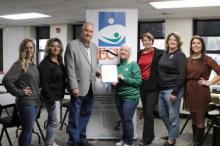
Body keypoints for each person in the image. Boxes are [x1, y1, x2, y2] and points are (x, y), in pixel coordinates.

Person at [64, 22, 101, 146]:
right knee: (75, 115)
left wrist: (97, 71)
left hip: (90, 87)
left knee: (86, 113)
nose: (88, 33)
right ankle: (73, 142)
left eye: (91, 31)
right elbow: (70, 68)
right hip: (78, 87)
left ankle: (82, 138)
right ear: (82, 31)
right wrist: (73, 86)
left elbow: (95, 64)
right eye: (86, 30)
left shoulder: (95, 47)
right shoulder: (72, 45)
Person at [2, 38, 40, 146]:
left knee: (28, 130)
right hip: (26, 102)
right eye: (26, 48)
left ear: (34, 49)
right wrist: (20, 92)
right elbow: (6, 80)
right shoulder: (19, 64)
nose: (29, 50)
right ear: (22, 50)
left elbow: (34, 83)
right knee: (27, 131)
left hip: (36, 102)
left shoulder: (33, 65)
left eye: (31, 47)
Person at [184, 35, 220, 146]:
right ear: (191, 45)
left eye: (198, 43)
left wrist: (209, 82)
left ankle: (198, 143)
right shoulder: (188, 59)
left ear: (202, 45)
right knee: (193, 118)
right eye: (193, 43)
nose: (196, 45)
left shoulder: (207, 59)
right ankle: (195, 141)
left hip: (201, 91)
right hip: (189, 91)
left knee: (199, 119)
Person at [158, 32, 187, 146]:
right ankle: (172, 133)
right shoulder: (164, 53)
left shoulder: (180, 55)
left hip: (173, 89)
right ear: (167, 41)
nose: (172, 41)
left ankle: (172, 140)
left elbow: (182, 75)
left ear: (178, 42)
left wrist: (175, 92)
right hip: (162, 89)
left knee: (173, 116)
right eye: (170, 39)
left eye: (175, 40)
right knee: (162, 113)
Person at [38, 38, 66, 146]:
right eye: (53, 46)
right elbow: (44, 84)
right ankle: (49, 142)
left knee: (51, 120)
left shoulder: (59, 61)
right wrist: (50, 100)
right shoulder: (45, 64)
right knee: (56, 121)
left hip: (59, 95)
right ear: (49, 48)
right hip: (51, 97)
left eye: (58, 46)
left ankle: (49, 141)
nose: (56, 48)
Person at [137, 32, 163, 145]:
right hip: (142, 85)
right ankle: (150, 135)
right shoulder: (139, 53)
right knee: (147, 112)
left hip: (153, 86)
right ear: (142, 42)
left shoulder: (159, 53)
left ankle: (146, 139)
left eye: (148, 40)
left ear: (152, 41)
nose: (146, 42)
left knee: (148, 112)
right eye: (144, 40)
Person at [114, 44, 142, 146]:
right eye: (121, 50)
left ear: (129, 53)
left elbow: (138, 81)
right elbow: (117, 82)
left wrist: (124, 78)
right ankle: (124, 139)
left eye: (126, 51)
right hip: (119, 96)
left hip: (130, 97)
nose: (123, 52)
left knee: (127, 120)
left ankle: (129, 142)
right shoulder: (118, 66)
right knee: (124, 120)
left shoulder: (133, 64)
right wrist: (114, 83)